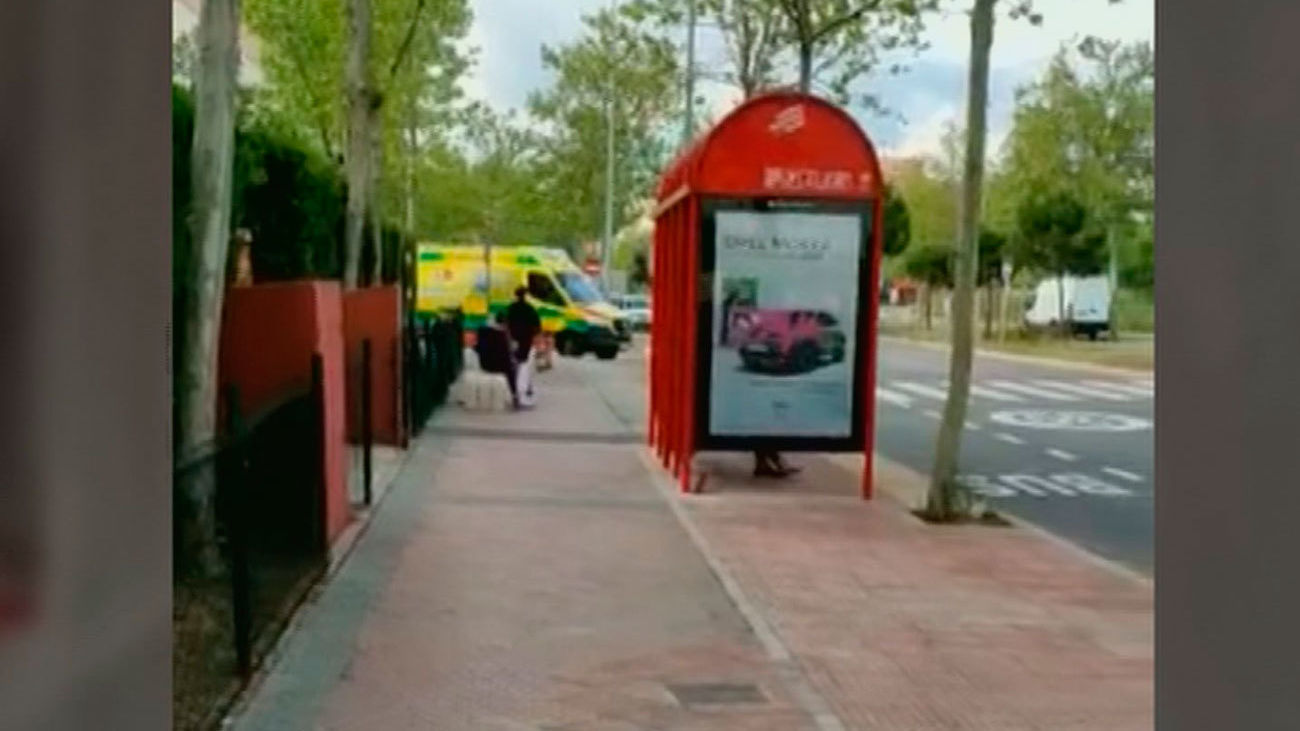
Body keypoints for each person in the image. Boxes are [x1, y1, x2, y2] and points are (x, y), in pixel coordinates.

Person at [475, 312, 518, 408]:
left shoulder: (483, 331)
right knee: (512, 369)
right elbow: (507, 354)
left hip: (484, 364)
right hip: (499, 367)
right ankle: (514, 394)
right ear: (505, 323)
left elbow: (477, 348)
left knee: (510, 366)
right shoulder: (502, 335)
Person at [505, 286, 542, 364]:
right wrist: (537, 331)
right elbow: (536, 321)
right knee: (523, 355)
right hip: (526, 335)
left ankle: (516, 357)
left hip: (514, 332)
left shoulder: (512, 307)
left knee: (515, 349)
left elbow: (506, 319)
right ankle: (521, 358)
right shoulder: (529, 308)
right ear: (525, 296)